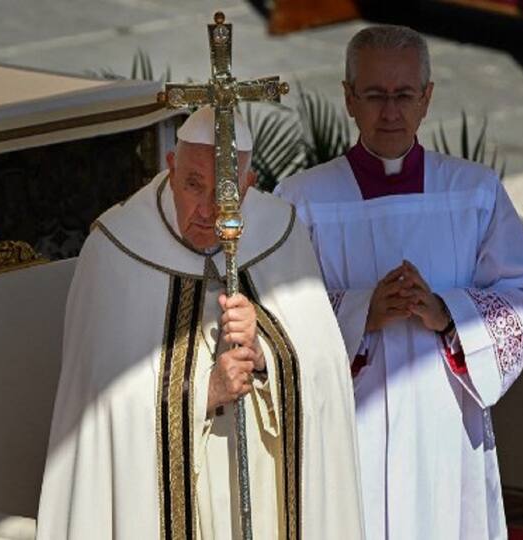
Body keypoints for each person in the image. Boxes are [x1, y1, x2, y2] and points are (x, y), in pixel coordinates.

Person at [275, 24, 523, 540]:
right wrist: (362, 312)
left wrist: (447, 312)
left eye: (404, 95)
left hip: (443, 428)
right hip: (347, 428)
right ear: (348, 99)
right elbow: (275, 315)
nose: (390, 112)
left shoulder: (474, 192)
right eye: (375, 95)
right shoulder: (302, 200)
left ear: (426, 98)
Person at [36, 106, 364, 540]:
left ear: (250, 185)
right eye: (194, 185)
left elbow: (327, 370)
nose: (209, 210)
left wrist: (265, 347)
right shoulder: (116, 247)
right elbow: (98, 402)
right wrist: (203, 392)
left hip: (266, 489)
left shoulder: (281, 232)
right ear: (170, 166)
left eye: (228, 194)